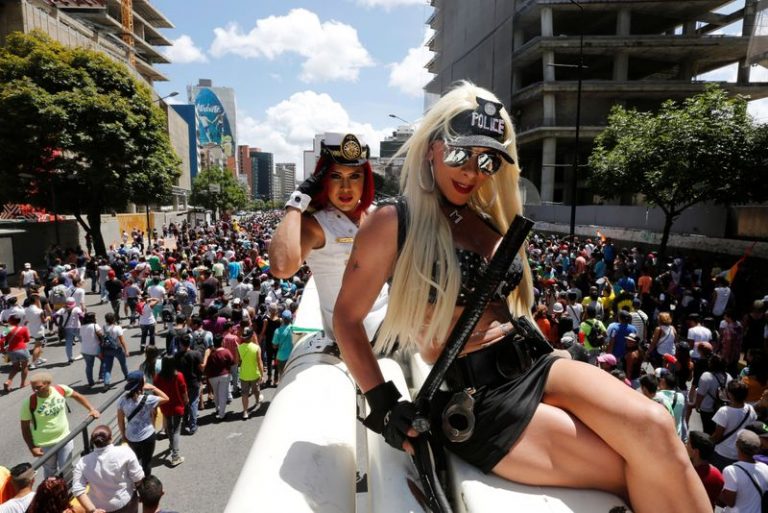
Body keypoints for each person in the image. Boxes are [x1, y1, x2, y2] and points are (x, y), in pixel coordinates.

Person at [332, 82, 710, 512]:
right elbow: (346, 319)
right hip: (478, 398)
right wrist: (382, 404)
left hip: (537, 363)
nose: (472, 171)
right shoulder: (393, 221)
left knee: (658, 427)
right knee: (631, 467)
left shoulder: (485, 218)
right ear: (431, 148)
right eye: (460, 153)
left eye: (487, 159)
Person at [269, 132, 387, 341]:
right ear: (321, 180)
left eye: (354, 176)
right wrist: (296, 201)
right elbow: (281, 267)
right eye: (335, 176)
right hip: (352, 339)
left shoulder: (376, 215)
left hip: (391, 327)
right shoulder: (315, 225)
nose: (346, 188)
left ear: (365, 179)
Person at [20, 371, 101, 478]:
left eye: (38, 387)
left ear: (48, 383)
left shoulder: (60, 389)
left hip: (65, 438)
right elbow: (25, 427)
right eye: (33, 387)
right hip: (44, 444)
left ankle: (68, 491)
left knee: (67, 468)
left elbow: (77, 395)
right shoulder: (29, 402)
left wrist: (91, 409)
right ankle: (54, 493)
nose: (35, 390)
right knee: (50, 473)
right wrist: (32, 447)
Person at [72, 425, 144, 513]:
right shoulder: (125, 451)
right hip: (125, 502)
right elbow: (138, 477)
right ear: (111, 438)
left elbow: (77, 490)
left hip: (100, 508)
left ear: (93, 442)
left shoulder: (82, 462)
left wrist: (93, 510)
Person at [117, 371, 168, 476]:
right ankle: (146, 482)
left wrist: (123, 435)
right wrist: (153, 388)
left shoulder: (122, 401)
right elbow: (166, 398)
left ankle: (137, 480)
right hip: (148, 436)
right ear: (141, 383)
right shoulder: (149, 399)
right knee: (147, 462)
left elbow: (120, 420)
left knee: (136, 460)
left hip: (131, 436)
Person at [711, 380, 758, 471]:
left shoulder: (724, 411)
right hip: (740, 453)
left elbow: (718, 435)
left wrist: (709, 441)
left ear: (731, 395)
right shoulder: (750, 409)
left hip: (723, 453)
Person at [718, 430, 768, 512]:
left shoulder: (731, 470)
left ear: (737, 445)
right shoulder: (765, 468)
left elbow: (730, 502)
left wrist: (716, 489)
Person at [152, 356, 188, 467]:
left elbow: (155, 393)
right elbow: (184, 392)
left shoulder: (158, 378)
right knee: (176, 430)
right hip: (177, 407)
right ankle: (175, 456)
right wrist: (186, 401)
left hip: (165, 406)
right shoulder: (179, 376)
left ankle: (172, 445)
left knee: (169, 428)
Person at [686, 431, 724, 509]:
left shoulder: (686, 474)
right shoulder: (717, 474)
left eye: (688, 443)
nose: (685, 445)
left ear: (695, 451)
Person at [174, 335, 203, 435]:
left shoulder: (177, 356)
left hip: (182, 384)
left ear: (181, 344)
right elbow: (200, 368)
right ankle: (193, 425)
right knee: (193, 403)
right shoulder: (196, 354)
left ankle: (185, 422)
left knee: (185, 404)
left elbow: (175, 371)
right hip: (194, 382)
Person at [204, 334, 234, 421]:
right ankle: (222, 414)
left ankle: (217, 409)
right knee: (223, 394)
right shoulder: (226, 351)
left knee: (216, 393)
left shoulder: (210, 353)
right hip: (224, 375)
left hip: (212, 377)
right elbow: (232, 362)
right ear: (222, 342)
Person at [236, 327, 264, 420]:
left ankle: (245, 412)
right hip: (254, 374)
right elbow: (260, 362)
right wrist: (262, 375)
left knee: (244, 394)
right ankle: (257, 401)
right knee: (256, 390)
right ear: (252, 336)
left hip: (244, 374)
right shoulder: (256, 348)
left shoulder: (239, 347)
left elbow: (237, 361)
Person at [1, 314, 31, 393]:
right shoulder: (23, 328)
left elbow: (1, 341)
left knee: (15, 367)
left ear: (10, 321)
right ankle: (22, 383)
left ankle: (8, 381)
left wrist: (2, 349)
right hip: (22, 350)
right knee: (24, 367)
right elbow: (27, 339)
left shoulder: (6, 329)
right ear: (19, 321)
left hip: (11, 351)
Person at [102, 312, 130, 391]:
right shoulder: (117, 328)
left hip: (107, 349)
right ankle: (127, 376)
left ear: (106, 319)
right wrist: (126, 350)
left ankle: (106, 384)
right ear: (114, 319)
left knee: (107, 368)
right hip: (117, 349)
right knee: (123, 364)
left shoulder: (104, 327)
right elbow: (122, 341)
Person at [54, 297, 83, 364]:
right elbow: (81, 317)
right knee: (83, 340)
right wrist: (83, 324)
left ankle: (70, 359)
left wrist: (57, 324)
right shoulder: (76, 308)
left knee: (68, 344)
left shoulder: (62, 309)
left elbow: (54, 316)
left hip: (67, 329)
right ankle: (86, 352)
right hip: (77, 328)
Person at [79, 311, 104, 388]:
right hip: (96, 349)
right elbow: (102, 335)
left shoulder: (82, 327)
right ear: (92, 318)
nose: (96, 318)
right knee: (104, 361)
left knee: (89, 366)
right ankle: (101, 377)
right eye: (95, 317)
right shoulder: (95, 326)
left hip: (84, 350)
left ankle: (90, 382)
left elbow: (81, 338)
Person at [272, 310, 294, 386]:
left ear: (282, 319)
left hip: (281, 357)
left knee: (282, 376)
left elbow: (274, 346)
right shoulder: (294, 329)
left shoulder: (277, 331)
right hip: (292, 357)